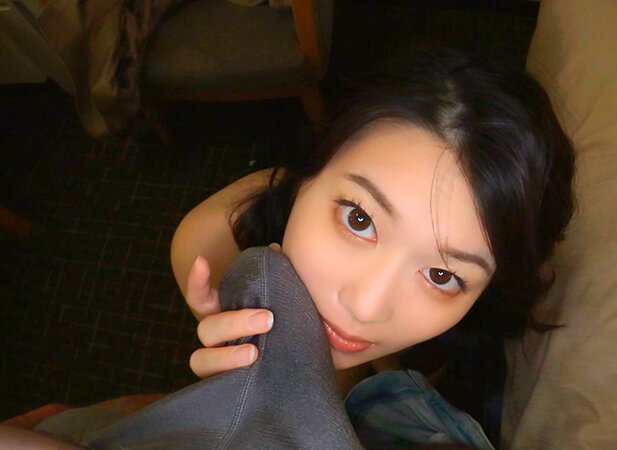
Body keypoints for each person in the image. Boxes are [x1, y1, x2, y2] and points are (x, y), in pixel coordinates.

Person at [2, 47, 574, 449]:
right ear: (308, 173)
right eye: (359, 219)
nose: (367, 305)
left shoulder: (463, 356)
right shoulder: (211, 242)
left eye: (443, 276)